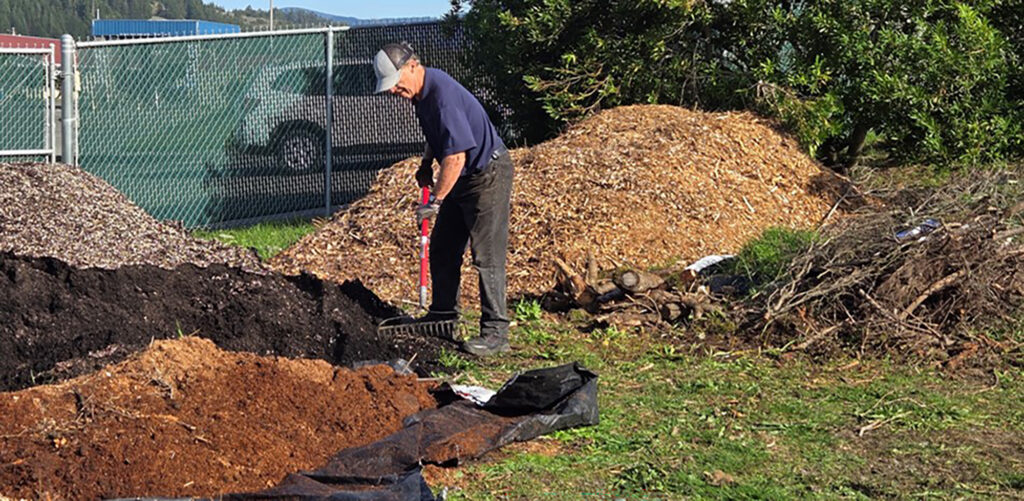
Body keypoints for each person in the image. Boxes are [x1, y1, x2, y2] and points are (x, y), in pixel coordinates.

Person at [373, 41, 514, 357]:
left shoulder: (442, 98)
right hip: (463, 179)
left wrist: (434, 201)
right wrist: (425, 164)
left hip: (486, 175)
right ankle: (443, 317)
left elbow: (457, 157)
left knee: (486, 256)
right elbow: (440, 138)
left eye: (395, 84)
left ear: (412, 66)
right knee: (443, 248)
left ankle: (495, 333)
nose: (394, 92)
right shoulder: (423, 94)